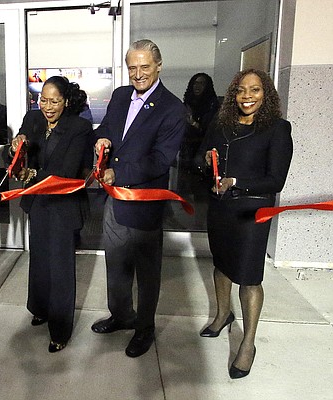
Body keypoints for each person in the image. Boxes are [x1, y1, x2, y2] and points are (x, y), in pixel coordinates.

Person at [91, 39, 186, 358]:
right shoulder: (119, 96)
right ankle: (121, 316)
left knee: (146, 273)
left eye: (145, 67)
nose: (138, 73)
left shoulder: (173, 108)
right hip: (114, 202)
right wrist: (101, 137)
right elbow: (105, 127)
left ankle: (144, 328)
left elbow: (161, 159)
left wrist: (119, 173)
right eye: (132, 67)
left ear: (159, 65)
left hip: (144, 203)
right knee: (115, 266)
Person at [197, 69, 292, 379]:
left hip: (252, 213)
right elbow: (200, 157)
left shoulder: (277, 129)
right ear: (233, 94)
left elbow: (275, 180)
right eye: (240, 90)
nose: (247, 96)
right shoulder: (220, 124)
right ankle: (223, 315)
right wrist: (205, 163)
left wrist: (235, 183)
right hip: (220, 209)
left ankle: (248, 343)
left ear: (266, 94)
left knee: (249, 278)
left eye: (254, 90)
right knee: (221, 264)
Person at [8, 76, 92, 352]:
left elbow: (67, 172)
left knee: (61, 270)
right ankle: (40, 309)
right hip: (38, 204)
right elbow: (13, 159)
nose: (48, 106)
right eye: (43, 99)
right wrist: (15, 148)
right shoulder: (32, 120)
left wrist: (30, 173)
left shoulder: (79, 127)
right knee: (40, 262)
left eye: (54, 101)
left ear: (66, 101)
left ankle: (60, 329)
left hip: (63, 206)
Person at [180, 73, 220, 173]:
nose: (197, 86)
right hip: (185, 148)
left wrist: (193, 123)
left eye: (201, 83)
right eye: (195, 83)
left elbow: (209, 130)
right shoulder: (188, 102)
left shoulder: (212, 105)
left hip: (202, 149)